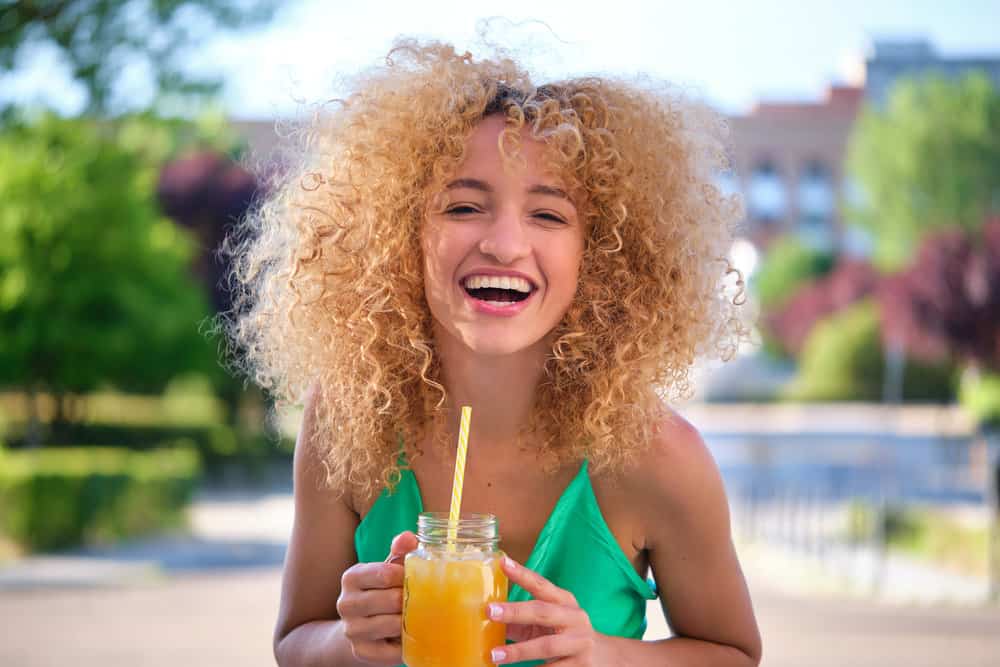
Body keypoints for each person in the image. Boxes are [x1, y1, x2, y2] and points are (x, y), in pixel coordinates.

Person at [225, 38, 761, 667]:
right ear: (397, 234)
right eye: (463, 206)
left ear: (605, 255)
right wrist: (351, 642)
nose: (505, 244)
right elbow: (294, 643)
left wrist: (604, 656)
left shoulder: (660, 457)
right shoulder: (347, 421)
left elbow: (733, 654)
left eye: (548, 215)